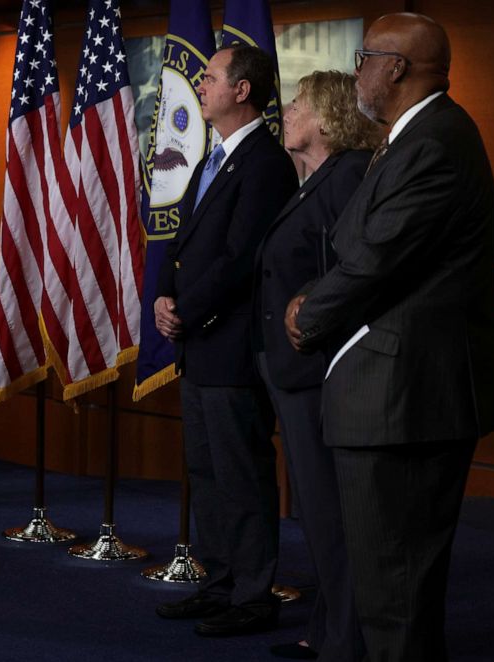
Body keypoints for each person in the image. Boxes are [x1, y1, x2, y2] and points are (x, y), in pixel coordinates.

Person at [285, 13, 494, 661]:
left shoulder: (435, 140)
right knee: (387, 587)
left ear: (397, 66)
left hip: (409, 402)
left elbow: (374, 256)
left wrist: (308, 314)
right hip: (393, 397)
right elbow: (360, 245)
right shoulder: (411, 137)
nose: (357, 71)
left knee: (396, 593)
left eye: (364, 57)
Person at [153, 44, 298, 637]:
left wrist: (184, 309)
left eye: (210, 76)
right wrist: (164, 295)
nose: (201, 83)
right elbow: (183, 244)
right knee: (207, 472)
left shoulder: (264, 162)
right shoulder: (215, 157)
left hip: (231, 347)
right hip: (198, 343)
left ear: (242, 91)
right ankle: (219, 583)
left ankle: (253, 595)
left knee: (241, 474)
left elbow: (242, 259)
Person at [254, 71, 381, 661]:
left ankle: (344, 642)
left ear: (327, 115)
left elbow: (353, 267)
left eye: (299, 102)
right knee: (318, 512)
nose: (287, 109)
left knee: (331, 515)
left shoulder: (350, 173)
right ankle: (327, 632)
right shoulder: (317, 179)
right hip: (295, 370)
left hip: (319, 369)